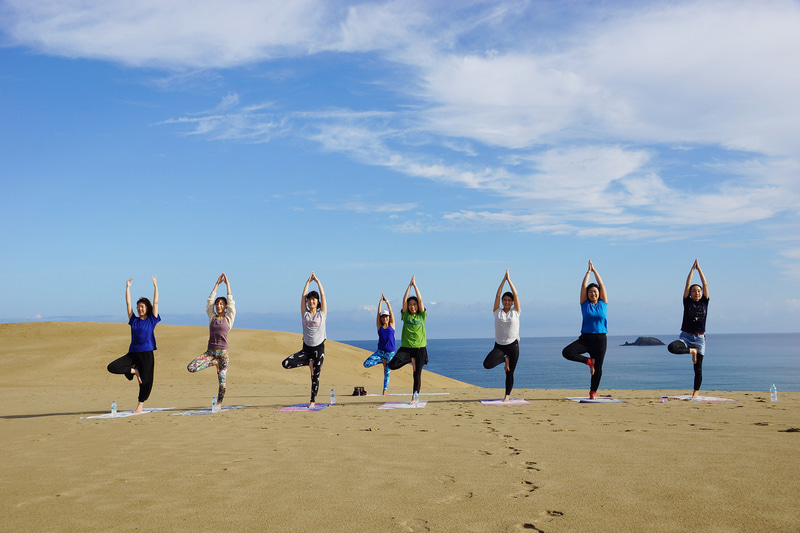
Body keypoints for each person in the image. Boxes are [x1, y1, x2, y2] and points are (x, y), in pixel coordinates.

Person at [107, 276, 161, 414]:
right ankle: (134, 371)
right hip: (133, 353)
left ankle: (140, 406)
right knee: (113, 367)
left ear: (147, 308)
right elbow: (128, 304)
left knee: (146, 381)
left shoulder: (151, 320)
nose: (139, 309)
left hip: (147, 353)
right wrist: (127, 288)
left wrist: (155, 286)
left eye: (142, 307)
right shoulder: (134, 320)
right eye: (138, 307)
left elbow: (155, 302)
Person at [562, 261, 608, 400]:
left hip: (600, 339)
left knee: (598, 369)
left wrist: (595, 271)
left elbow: (602, 285)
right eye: (590, 292)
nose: (593, 293)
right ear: (587, 294)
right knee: (567, 352)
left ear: (598, 293)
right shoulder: (585, 304)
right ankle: (589, 361)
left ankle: (592, 392)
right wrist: (588, 272)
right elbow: (583, 286)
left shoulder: (603, 303)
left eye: (595, 291)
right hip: (586, 338)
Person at [187, 273, 236, 405]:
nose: (218, 306)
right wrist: (216, 285)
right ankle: (213, 363)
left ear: (225, 306)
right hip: (210, 353)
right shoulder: (211, 317)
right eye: (217, 304)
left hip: (223, 354)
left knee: (222, 381)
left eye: (221, 304)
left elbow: (231, 302)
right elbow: (209, 301)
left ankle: (219, 403)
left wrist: (228, 285)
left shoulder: (228, 318)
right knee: (191, 368)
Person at [282, 271, 327, 408]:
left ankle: (312, 401)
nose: (311, 301)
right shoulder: (304, 313)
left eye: (314, 299)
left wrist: (318, 282)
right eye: (309, 299)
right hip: (306, 349)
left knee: (315, 377)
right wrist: (307, 282)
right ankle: (308, 362)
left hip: (319, 349)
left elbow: (324, 295)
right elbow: (302, 296)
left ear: (317, 301)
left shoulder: (322, 313)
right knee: (286, 363)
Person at [667, 259, 709, 399]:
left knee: (698, 369)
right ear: (690, 293)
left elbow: (705, 284)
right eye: (694, 291)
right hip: (686, 337)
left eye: (698, 291)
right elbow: (687, 284)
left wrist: (700, 269)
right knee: (672, 347)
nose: (696, 292)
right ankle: (691, 351)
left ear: (701, 293)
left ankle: (695, 393)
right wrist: (692, 270)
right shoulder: (687, 302)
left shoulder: (704, 302)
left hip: (700, 339)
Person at [388, 276, 428, 404]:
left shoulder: (422, 316)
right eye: (410, 305)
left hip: (419, 348)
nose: (412, 307)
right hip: (406, 348)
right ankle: (409, 360)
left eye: (414, 304)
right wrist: (409, 287)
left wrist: (415, 286)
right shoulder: (405, 316)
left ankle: (414, 396)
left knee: (417, 374)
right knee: (392, 365)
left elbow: (420, 300)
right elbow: (404, 301)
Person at [483, 270, 521, 402]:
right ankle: (505, 360)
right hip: (499, 345)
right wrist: (503, 281)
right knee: (487, 364)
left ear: (512, 302)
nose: (506, 302)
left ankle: (507, 396)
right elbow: (497, 295)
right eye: (504, 300)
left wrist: (509, 281)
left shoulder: (516, 312)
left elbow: (515, 294)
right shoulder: (497, 311)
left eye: (509, 300)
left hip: (513, 346)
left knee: (510, 372)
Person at [363, 294, 396, 395]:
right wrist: (380, 302)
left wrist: (387, 302)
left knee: (387, 372)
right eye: (383, 317)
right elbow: (378, 314)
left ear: (388, 318)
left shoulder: (392, 325)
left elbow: (391, 312)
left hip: (390, 353)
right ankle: (382, 361)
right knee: (366, 364)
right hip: (380, 352)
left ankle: (384, 390)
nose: (384, 318)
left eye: (386, 317)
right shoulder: (379, 327)